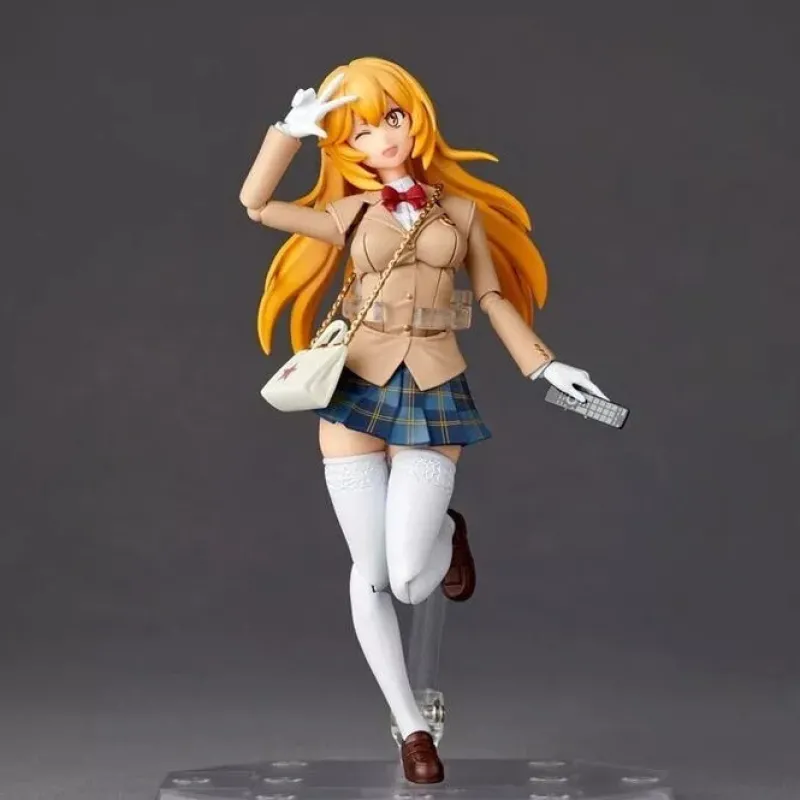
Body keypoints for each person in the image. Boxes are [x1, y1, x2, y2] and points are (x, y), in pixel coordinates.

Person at [239, 57, 606, 783]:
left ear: (416, 120)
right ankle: (411, 727)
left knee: (411, 579)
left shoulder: (461, 215)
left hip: (436, 384)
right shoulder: (352, 213)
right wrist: (288, 131)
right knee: (371, 574)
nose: (383, 138)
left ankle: (446, 530)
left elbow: (493, 298)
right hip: (354, 388)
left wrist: (544, 366)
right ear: (345, 147)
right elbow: (257, 206)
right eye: (361, 131)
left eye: (392, 119)